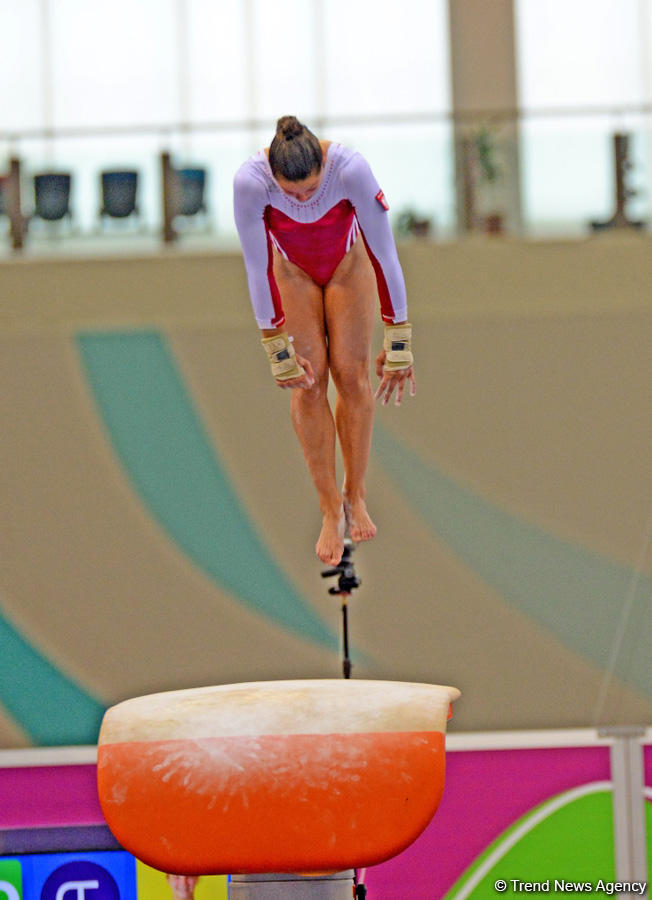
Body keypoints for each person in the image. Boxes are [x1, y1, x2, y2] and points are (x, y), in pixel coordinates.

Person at [233, 116, 415, 566]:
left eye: (311, 190)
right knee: (306, 380)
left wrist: (399, 340)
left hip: (348, 268)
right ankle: (330, 504)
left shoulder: (350, 170)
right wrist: (274, 345)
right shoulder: (250, 183)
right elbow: (257, 268)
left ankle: (355, 491)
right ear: (273, 176)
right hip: (292, 272)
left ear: (323, 168)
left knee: (350, 377)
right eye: (290, 194)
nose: (301, 199)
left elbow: (384, 254)